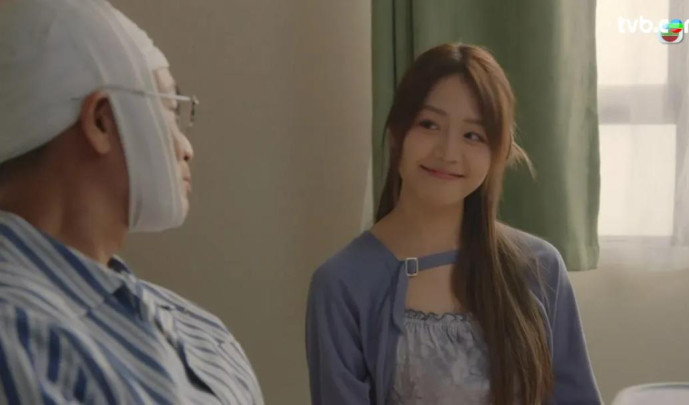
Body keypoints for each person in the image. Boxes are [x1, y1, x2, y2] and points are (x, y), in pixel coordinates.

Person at [306, 43, 601, 405]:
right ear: (397, 133)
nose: (448, 153)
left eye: (473, 135)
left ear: (498, 153)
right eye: (429, 124)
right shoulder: (342, 285)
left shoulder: (540, 267)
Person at [0, 0, 263, 403]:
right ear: (101, 121)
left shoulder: (208, 335)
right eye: (170, 110)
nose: (187, 148)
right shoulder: (17, 336)